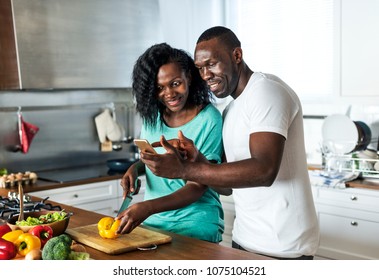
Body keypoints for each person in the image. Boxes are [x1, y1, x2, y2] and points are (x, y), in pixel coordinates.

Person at [140, 26, 320, 259]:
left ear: (237, 56)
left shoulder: (266, 91)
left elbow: (264, 170)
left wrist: (186, 169)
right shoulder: (232, 109)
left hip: (284, 244)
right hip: (245, 238)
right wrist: (198, 160)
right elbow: (225, 187)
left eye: (212, 64)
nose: (205, 75)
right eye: (200, 68)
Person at [116, 43, 224, 243]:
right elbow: (154, 158)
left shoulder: (210, 119)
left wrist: (148, 208)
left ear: (189, 77)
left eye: (175, 83)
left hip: (194, 224)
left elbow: (199, 183)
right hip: (152, 223)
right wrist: (136, 167)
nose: (169, 94)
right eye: (159, 88)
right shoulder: (153, 116)